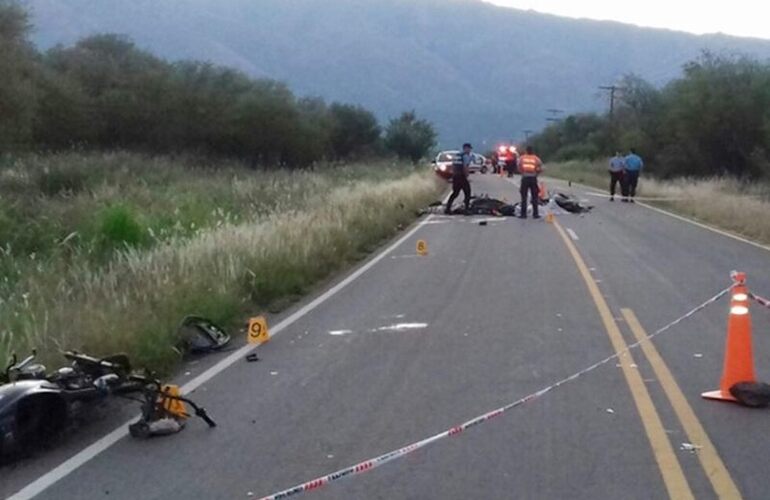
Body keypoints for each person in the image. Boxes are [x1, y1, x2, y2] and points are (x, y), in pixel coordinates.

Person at [445, 143, 473, 214]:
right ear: (466, 148)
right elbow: (465, 167)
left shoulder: (457, 156)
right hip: (461, 176)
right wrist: (466, 176)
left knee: (455, 193)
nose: (470, 150)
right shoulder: (465, 156)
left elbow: (453, 166)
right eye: (469, 149)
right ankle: (466, 209)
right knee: (467, 192)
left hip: (455, 176)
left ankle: (447, 208)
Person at [517, 146, 543, 219]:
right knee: (535, 197)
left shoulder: (522, 158)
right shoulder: (536, 158)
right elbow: (540, 168)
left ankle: (523, 214)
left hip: (525, 178)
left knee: (523, 197)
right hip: (533, 178)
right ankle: (535, 214)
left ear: (526, 151)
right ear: (532, 151)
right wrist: (536, 173)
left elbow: (518, 166)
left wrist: (522, 173)